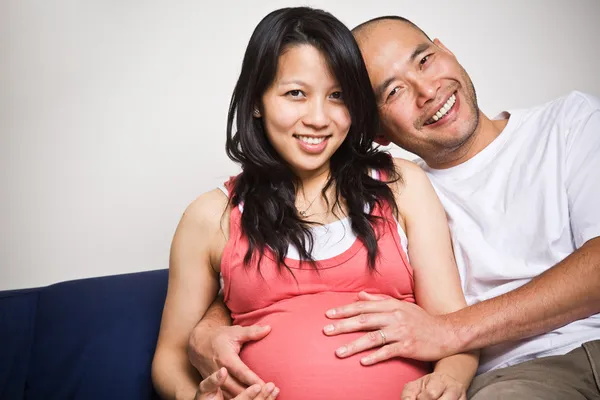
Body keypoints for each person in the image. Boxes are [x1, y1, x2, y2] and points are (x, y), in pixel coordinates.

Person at [189, 13, 600, 400]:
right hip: (502, 379)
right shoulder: (393, 191)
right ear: (375, 131)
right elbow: (266, 269)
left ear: (446, 49)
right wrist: (207, 327)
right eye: (394, 91)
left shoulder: (570, 123)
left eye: (424, 60)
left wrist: (448, 331)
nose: (427, 91)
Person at [152, 7, 477, 400]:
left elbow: (454, 329)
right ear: (257, 101)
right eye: (295, 94)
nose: (319, 118)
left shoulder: (401, 185)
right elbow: (170, 359)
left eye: (337, 96)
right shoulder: (210, 217)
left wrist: (450, 381)